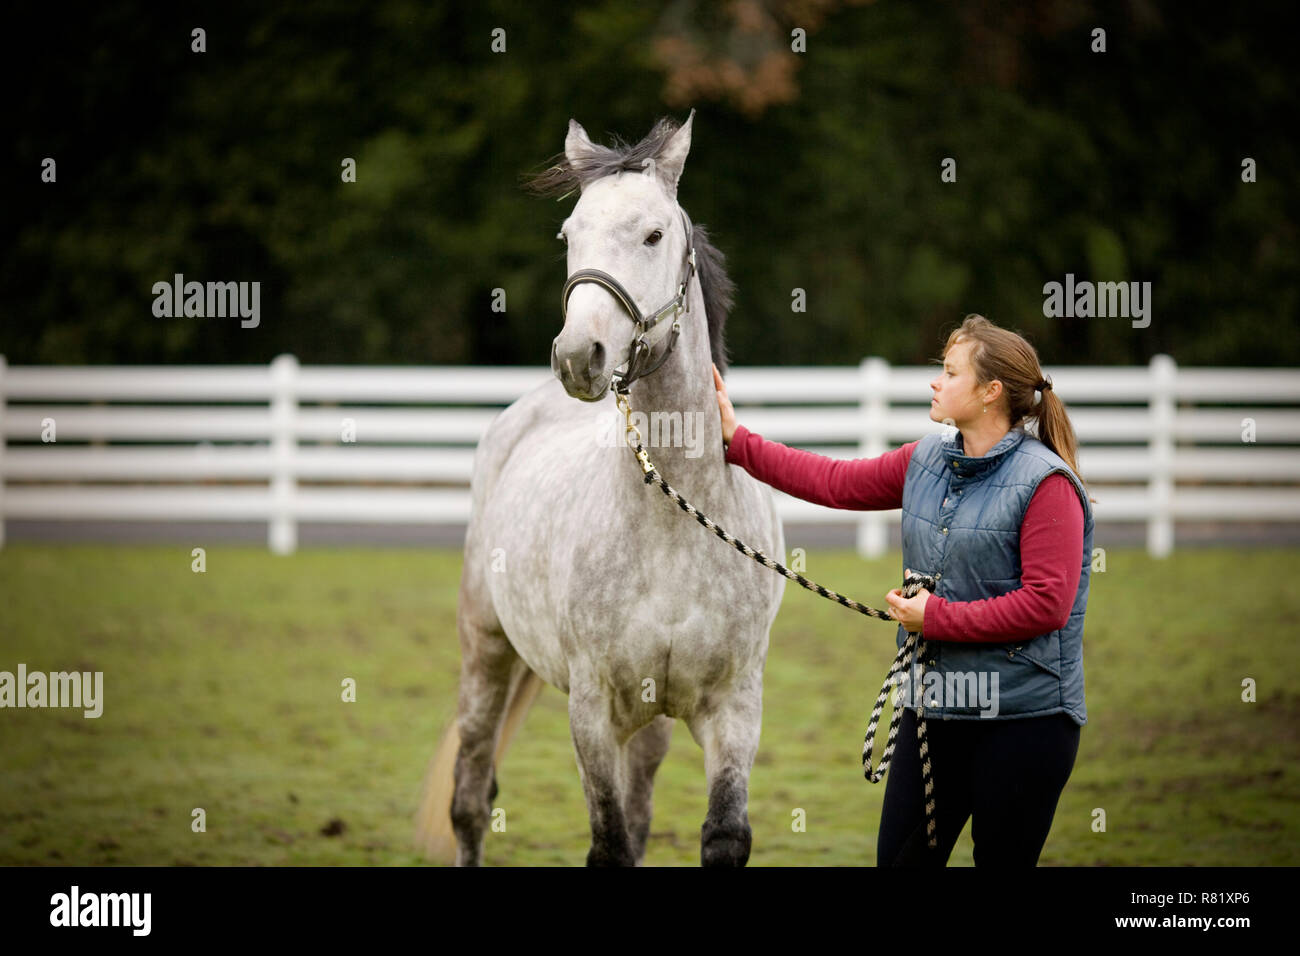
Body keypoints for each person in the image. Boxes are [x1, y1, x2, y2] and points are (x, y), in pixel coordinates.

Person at [713, 314, 1096, 866]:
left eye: (949, 372)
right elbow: (835, 482)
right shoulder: (926, 459)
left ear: (991, 392)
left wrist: (934, 618)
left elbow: (1047, 604)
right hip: (935, 709)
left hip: (1024, 723)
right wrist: (737, 440)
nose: (935, 383)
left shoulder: (1047, 483)